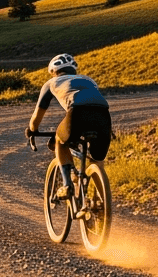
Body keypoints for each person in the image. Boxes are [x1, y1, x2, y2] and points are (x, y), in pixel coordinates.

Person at [26, 53, 111, 199]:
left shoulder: (51, 83)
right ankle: (102, 200)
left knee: (59, 140)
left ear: (53, 71)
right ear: (73, 69)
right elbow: (93, 102)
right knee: (97, 158)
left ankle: (67, 186)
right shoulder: (89, 80)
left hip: (77, 112)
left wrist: (32, 130)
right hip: (103, 115)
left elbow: (37, 116)